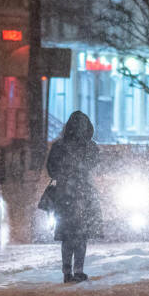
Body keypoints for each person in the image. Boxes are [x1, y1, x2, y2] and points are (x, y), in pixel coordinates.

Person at [45, 111, 101, 283]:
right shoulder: (91, 147)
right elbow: (92, 166)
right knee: (81, 235)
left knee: (67, 236)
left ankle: (66, 272)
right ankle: (78, 270)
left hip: (64, 196)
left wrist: (64, 178)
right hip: (84, 195)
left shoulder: (59, 146)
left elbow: (51, 170)